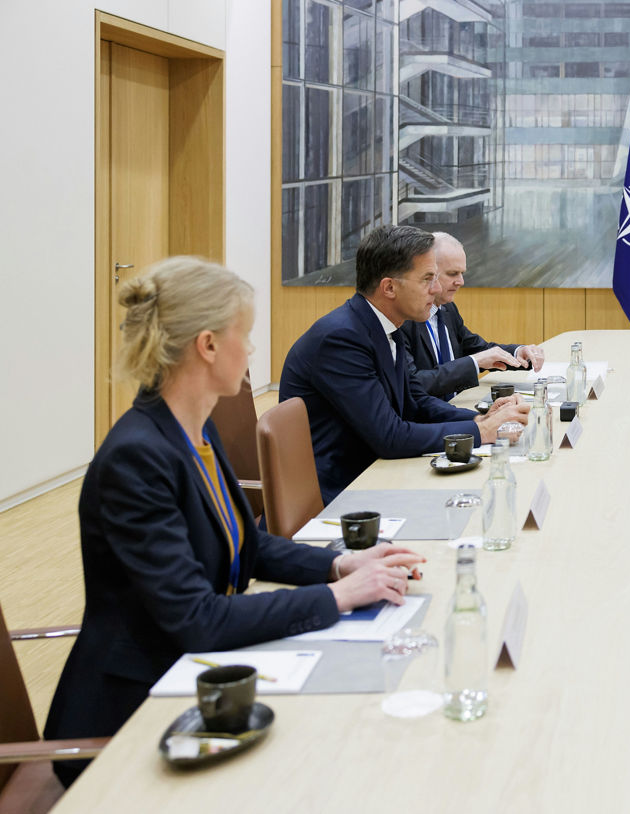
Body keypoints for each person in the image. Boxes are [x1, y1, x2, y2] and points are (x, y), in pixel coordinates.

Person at [44, 257, 423, 786]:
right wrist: (337, 597)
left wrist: (340, 565)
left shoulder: (194, 431)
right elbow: (197, 619)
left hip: (198, 679)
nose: (250, 352)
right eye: (243, 336)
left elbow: (251, 546)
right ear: (208, 345)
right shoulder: (137, 457)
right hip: (134, 718)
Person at [280, 226, 528, 502]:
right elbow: (389, 437)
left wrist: (481, 418)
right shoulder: (341, 339)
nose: (436, 289)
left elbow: (415, 402)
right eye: (427, 279)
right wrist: (482, 431)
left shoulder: (386, 325)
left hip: (375, 473)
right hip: (339, 494)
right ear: (389, 287)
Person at [400, 232, 546, 399]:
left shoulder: (448, 309)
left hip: (455, 406)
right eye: (452, 273)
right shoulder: (404, 318)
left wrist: (518, 352)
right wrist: (475, 361)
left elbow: (477, 349)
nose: (461, 281)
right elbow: (413, 383)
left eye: (462, 273)